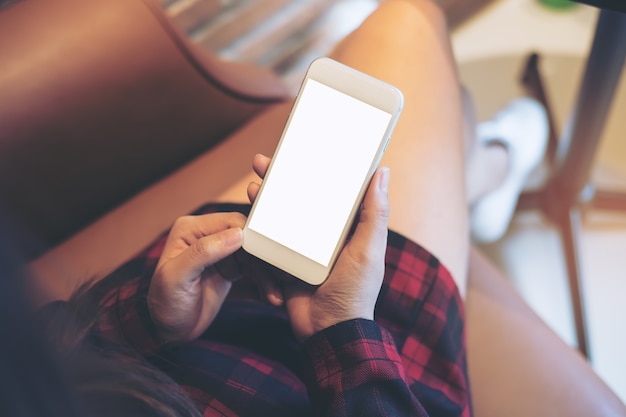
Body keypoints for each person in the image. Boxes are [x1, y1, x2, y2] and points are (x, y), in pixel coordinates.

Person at [8, 0, 626, 416]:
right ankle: (496, 161)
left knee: (410, 60)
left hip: (193, 314)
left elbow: (51, 353)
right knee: (409, 21)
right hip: (355, 369)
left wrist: (147, 318)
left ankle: (491, 165)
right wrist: (343, 327)